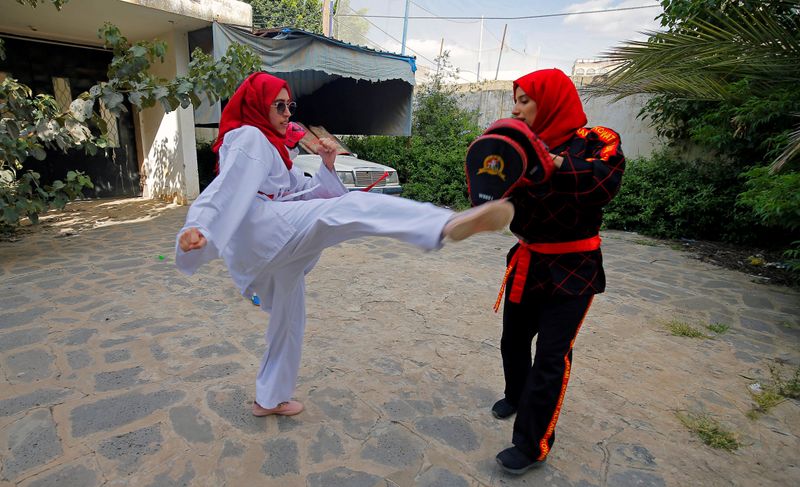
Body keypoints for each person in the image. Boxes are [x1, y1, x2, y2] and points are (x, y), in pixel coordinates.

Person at [175, 71, 512, 417]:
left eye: (290, 105)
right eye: (279, 106)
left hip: (269, 239)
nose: (288, 113)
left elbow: (298, 192)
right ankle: (442, 224)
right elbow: (225, 188)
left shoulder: (271, 148)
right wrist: (198, 224)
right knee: (350, 207)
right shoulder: (248, 138)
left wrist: (326, 166)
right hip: (264, 232)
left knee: (289, 321)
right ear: (258, 105)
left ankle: (269, 398)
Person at [488, 68, 625, 474]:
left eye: (524, 99)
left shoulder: (596, 140)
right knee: (512, 342)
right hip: (527, 260)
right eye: (515, 99)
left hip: (573, 268)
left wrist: (552, 161)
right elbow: (495, 194)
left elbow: (604, 184)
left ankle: (533, 444)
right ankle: (516, 395)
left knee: (551, 357)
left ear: (551, 101)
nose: (516, 108)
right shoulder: (514, 143)